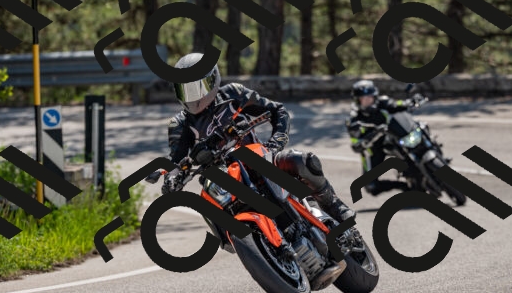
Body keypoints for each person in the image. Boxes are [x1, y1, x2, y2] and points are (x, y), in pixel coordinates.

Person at [160, 53, 355, 223]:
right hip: (222, 179)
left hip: (259, 158)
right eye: (185, 91)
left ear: (212, 80)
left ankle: (334, 205)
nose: (192, 97)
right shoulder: (180, 123)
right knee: (210, 207)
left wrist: (276, 142)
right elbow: (176, 160)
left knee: (301, 161)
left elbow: (277, 110)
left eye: (196, 89)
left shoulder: (233, 94)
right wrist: (172, 178)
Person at [346, 79, 412, 196]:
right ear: (357, 100)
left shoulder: (383, 102)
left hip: (393, 137)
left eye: (370, 97)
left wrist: (411, 102)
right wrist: (372, 135)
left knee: (418, 135)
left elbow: (396, 104)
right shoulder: (354, 119)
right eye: (363, 98)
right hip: (373, 148)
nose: (367, 100)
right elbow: (356, 145)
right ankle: (402, 186)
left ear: (375, 96)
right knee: (370, 185)